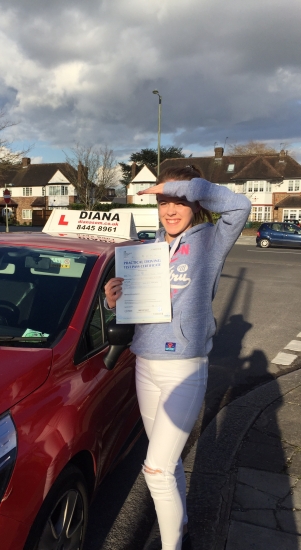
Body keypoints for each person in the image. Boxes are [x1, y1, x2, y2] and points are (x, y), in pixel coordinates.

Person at [104, 166, 251, 550]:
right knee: (167, 466)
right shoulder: (149, 248)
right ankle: (180, 525)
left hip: (183, 369)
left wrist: (181, 185)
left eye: (181, 200)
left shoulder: (211, 241)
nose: (171, 209)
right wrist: (115, 300)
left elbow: (239, 206)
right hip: (144, 363)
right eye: (164, 201)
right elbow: (139, 311)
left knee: (154, 470)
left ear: (197, 200)